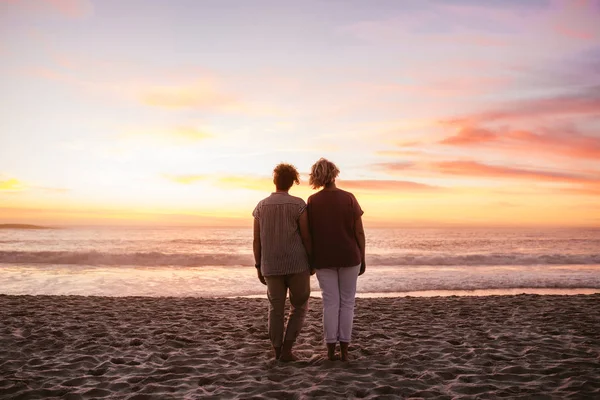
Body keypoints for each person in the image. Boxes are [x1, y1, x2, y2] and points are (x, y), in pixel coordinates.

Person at [307, 158, 366, 362]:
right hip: (350, 255)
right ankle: (345, 351)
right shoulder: (349, 198)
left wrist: (310, 258)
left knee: (330, 303)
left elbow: (310, 233)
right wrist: (363, 256)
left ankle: (331, 351)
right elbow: (358, 231)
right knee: (347, 303)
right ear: (335, 174)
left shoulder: (313, 201)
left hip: (323, 258)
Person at [252, 163, 313, 361]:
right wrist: (312, 261)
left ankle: (277, 350)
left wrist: (258, 265)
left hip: (271, 265)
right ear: (293, 182)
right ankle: (287, 350)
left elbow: (257, 240)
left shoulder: (261, 206)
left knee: (275, 309)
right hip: (297, 264)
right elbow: (306, 237)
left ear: (274, 181)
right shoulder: (299, 205)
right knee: (299, 306)